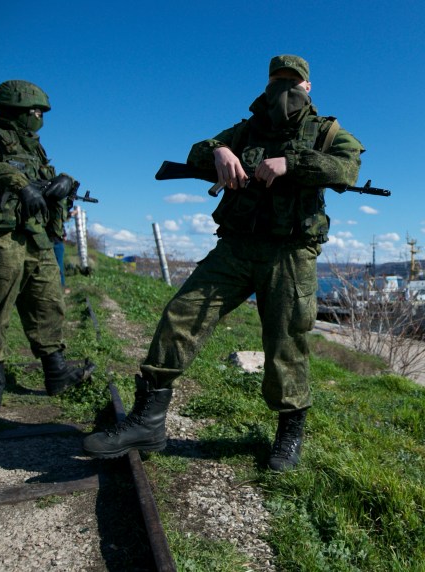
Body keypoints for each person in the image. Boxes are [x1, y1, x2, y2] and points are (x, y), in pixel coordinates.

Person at [83, 55, 364, 471]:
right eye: (276, 82)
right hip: (234, 247)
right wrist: (219, 152)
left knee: (287, 340)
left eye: (293, 83)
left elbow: (349, 168)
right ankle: (149, 421)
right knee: (182, 313)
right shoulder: (245, 129)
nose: (283, 91)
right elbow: (197, 150)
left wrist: (293, 163)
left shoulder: (326, 132)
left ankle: (289, 434)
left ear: (307, 88)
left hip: (290, 253)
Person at [0, 80, 94, 416]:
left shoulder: (33, 148)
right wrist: (18, 183)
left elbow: (46, 178)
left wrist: (65, 181)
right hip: (1, 238)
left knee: (48, 303)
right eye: (36, 111)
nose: (40, 117)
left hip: (36, 237)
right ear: (17, 109)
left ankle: (55, 372)